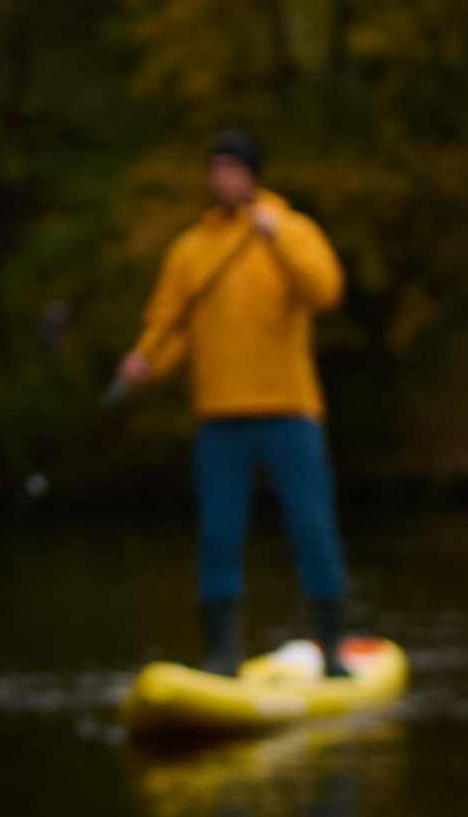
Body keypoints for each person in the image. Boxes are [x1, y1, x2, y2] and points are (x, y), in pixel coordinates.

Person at [114, 129, 348, 679]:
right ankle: (222, 654)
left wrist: (278, 241)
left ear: (253, 175)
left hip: (287, 418)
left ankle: (333, 648)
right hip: (222, 425)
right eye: (216, 168)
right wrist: (146, 362)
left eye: (233, 168)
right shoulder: (191, 248)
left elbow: (326, 292)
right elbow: (167, 327)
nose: (223, 178)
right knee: (218, 534)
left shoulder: (292, 230)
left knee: (310, 526)